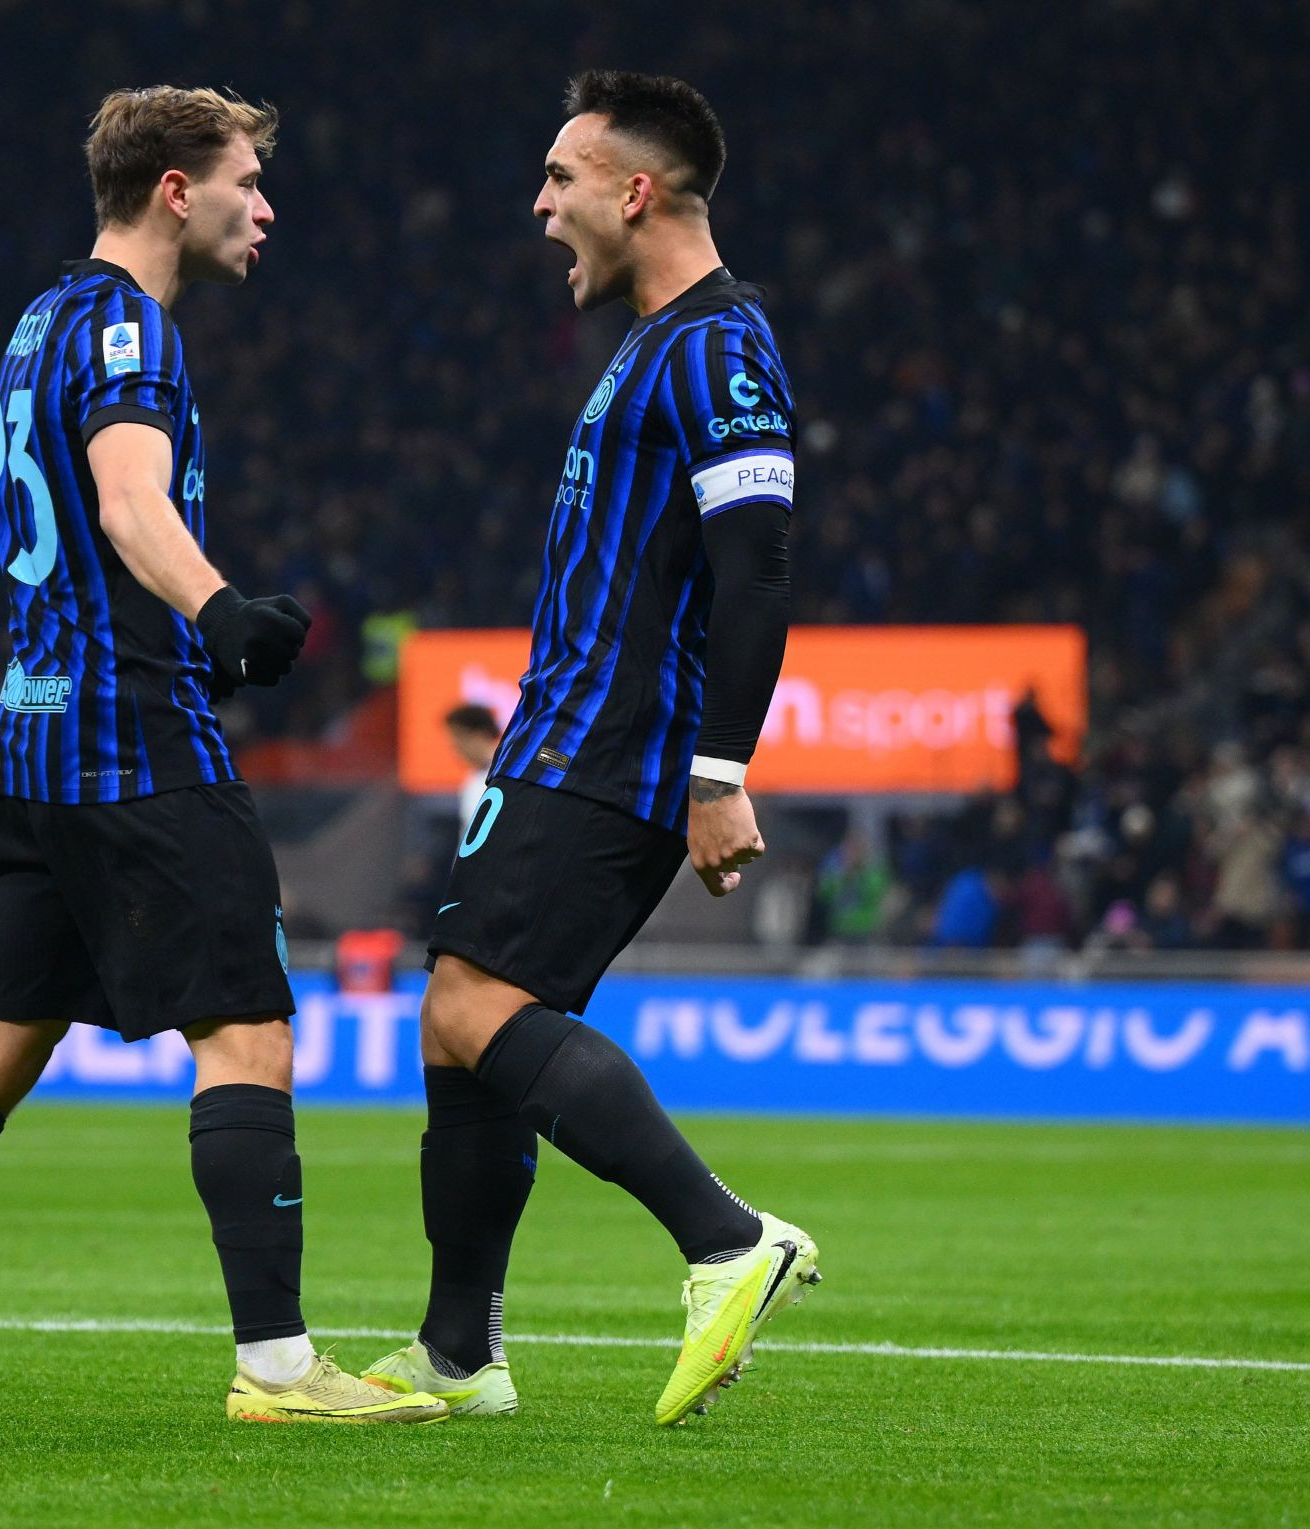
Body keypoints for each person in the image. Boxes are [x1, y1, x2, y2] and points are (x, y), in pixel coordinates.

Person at [0, 85, 444, 1426]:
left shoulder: (41, 320)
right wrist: (222, 612)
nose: (265, 208)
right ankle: (278, 1368)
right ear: (173, 190)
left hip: (33, 738)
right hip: (135, 733)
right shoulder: (131, 328)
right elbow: (128, 499)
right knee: (248, 1029)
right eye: (246, 182)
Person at [362, 71, 818, 1426]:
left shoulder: (721, 347)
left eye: (561, 177)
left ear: (636, 190)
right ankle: (458, 1350)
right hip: (559, 731)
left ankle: (727, 1239)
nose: (541, 204)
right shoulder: (648, 341)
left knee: (474, 1007)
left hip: (613, 743)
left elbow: (757, 570)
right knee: (457, 1023)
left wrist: (719, 770)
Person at [444, 702, 503, 843]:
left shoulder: (505, 776)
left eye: (460, 736)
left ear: (482, 734)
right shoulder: (471, 780)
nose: (455, 745)